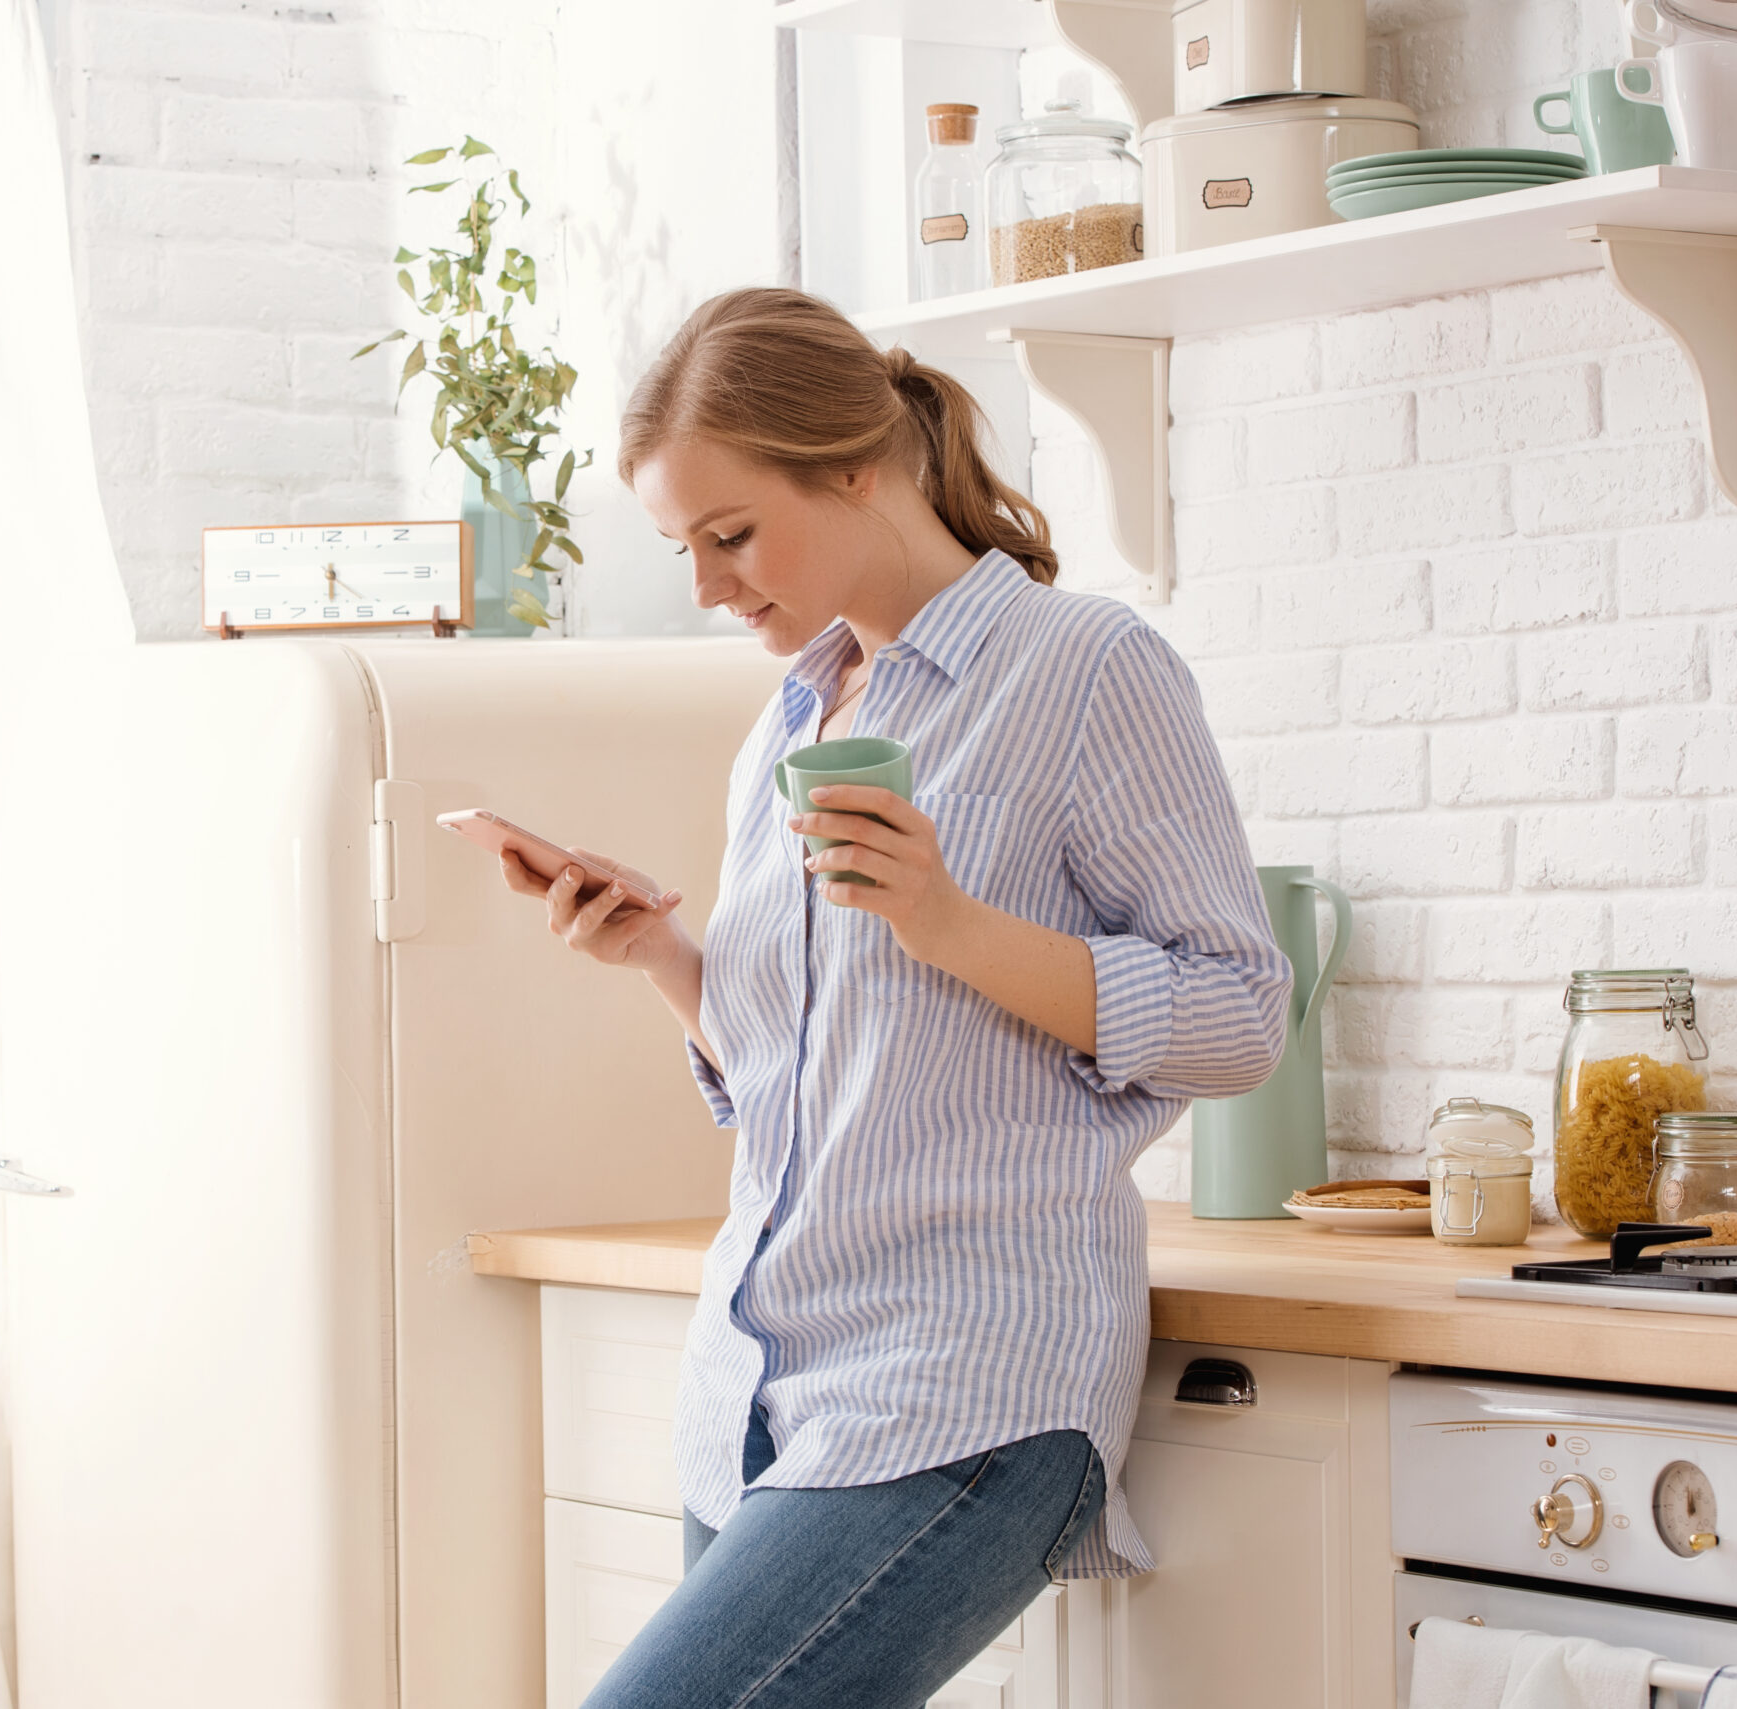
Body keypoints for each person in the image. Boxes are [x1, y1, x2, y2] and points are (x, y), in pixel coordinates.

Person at [493, 288, 1293, 1709]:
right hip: (754, 1390)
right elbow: (803, 1074)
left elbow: (1239, 1012)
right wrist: (666, 960)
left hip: (963, 1387)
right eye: (684, 548)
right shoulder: (792, 721)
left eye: (730, 535)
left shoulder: (1088, 670)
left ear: (855, 465)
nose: (710, 586)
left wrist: (953, 921)